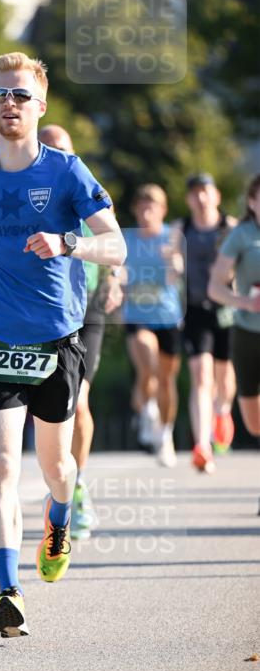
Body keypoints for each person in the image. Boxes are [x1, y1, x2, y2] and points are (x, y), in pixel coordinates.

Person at [0, 52, 126, 638]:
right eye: (0, 94)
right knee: (3, 465)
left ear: (40, 106)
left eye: (20, 95)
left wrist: (68, 243)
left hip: (57, 340)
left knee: (56, 468)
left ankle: (59, 516)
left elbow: (116, 246)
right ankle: (8, 590)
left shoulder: (67, 172)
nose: (9, 104)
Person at [38, 124, 123, 538]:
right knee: (46, 403)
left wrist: (116, 281)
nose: (56, 156)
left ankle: (78, 484)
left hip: (86, 306)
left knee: (80, 399)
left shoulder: (86, 188)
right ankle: (58, 481)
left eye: (63, 150)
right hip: (42, 307)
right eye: (48, 149)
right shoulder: (28, 192)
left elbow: (115, 241)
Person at [172, 173, 237, 473]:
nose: (200, 198)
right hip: (194, 309)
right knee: (201, 376)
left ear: (216, 196)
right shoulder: (181, 228)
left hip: (227, 309)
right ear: (188, 198)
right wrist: (172, 265)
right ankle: (202, 444)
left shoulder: (230, 227)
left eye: (205, 191)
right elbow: (170, 263)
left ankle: (222, 411)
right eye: (195, 192)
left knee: (224, 378)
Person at [122, 185, 183, 467]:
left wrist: (174, 263)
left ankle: (165, 435)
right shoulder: (127, 239)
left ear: (163, 210)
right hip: (137, 315)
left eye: (153, 206)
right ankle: (147, 410)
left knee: (166, 380)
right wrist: (118, 280)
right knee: (147, 365)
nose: (147, 210)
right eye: (142, 205)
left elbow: (177, 272)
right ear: (136, 209)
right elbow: (118, 269)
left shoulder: (171, 237)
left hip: (168, 316)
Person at [207, 174, 260, 439]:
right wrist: (246, 302)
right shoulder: (241, 235)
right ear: (252, 202)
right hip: (247, 332)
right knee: (254, 424)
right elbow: (215, 287)